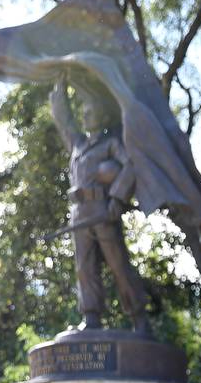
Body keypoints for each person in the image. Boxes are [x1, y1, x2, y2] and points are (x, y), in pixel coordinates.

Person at [50, 75, 163, 334]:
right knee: (84, 267)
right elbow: (64, 122)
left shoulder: (111, 144)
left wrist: (117, 198)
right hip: (79, 214)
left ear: (101, 117)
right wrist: (59, 94)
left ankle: (139, 319)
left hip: (102, 210)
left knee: (118, 264)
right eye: (84, 112)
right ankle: (91, 317)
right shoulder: (78, 145)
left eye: (91, 112)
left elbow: (131, 166)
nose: (86, 116)